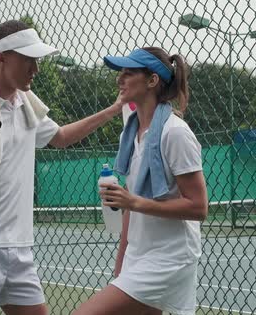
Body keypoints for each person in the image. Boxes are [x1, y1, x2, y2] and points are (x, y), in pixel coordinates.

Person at [0, 19, 123, 315]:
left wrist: (113, 109)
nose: (35, 69)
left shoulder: (26, 104)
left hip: (17, 250)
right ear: (1, 58)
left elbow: (60, 138)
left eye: (37, 60)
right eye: (27, 60)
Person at [73, 47, 208, 315]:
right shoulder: (132, 133)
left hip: (169, 258)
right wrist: (121, 265)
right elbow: (129, 210)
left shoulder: (175, 134)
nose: (119, 79)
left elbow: (198, 207)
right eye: (120, 72)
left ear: (152, 80)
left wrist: (134, 202)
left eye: (128, 73)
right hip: (140, 254)